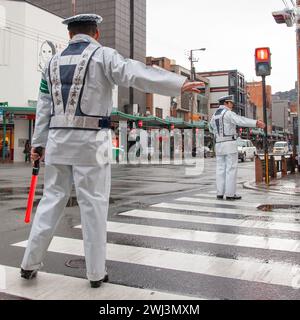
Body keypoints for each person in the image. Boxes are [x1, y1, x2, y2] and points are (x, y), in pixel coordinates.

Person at [20, 13, 203, 288]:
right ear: (96, 33)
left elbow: (43, 107)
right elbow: (134, 72)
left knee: (50, 202)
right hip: (90, 142)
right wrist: (176, 83)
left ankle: (28, 264)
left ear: (70, 35)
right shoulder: (102, 55)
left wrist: (38, 143)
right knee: (92, 206)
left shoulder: (51, 63)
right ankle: (95, 273)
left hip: (57, 142)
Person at [210, 95, 265, 201]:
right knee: (231, 169)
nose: (232, 105)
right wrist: (256, 123)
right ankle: (230, 194)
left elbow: (211, 128)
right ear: (226, 103)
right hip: (229, 143)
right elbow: (240, 120)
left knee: (220, 169)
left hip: (218, 144)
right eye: (230, 103)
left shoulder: (214, 115)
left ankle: (220, 193)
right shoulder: (228, 113)